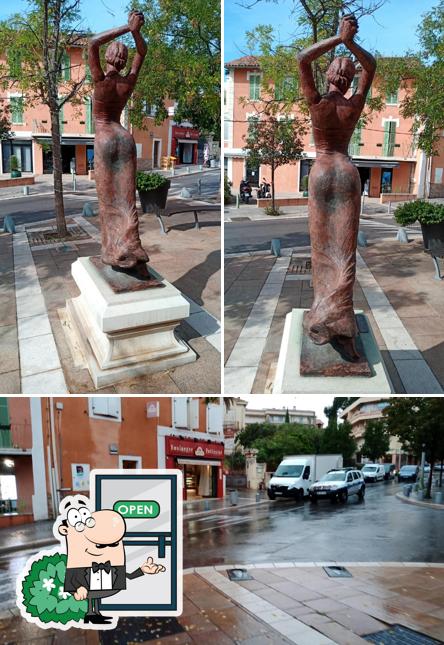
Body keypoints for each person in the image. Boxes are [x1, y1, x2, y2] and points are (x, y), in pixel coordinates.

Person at [297, 15, 376, 359]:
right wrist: (351, 43)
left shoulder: (317, 102)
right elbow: (371, 66)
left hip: (321, 171)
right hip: (346, 171)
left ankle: (325, 316)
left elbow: (302, 58)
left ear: (329, 77)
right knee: (344, 252)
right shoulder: (353, 104)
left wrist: (336, 39)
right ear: (347, 81)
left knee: (321, 251)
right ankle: (340, 318)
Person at [88, 11, 149, 271]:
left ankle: (113, 251)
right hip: (124, 137)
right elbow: (142, 53)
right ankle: (131, 243)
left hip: (104, 136)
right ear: (123, 61)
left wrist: (126, 27)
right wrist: (136, 32)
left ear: (108, 57)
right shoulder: (128, 82)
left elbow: (92, 43)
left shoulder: (100, 80)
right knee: (126, 199)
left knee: (107, 200)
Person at [58, 496, 165, 624]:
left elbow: (128, 576)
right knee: (92, 595)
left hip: (101, 586)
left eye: (114, 544)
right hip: (86, 588)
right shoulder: (77, 565)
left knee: (95, 596)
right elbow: (72, 579)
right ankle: (90, 614)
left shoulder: (112, 566)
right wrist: (77, 588)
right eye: (99, 545)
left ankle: (95, 614)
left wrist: (142, 570)